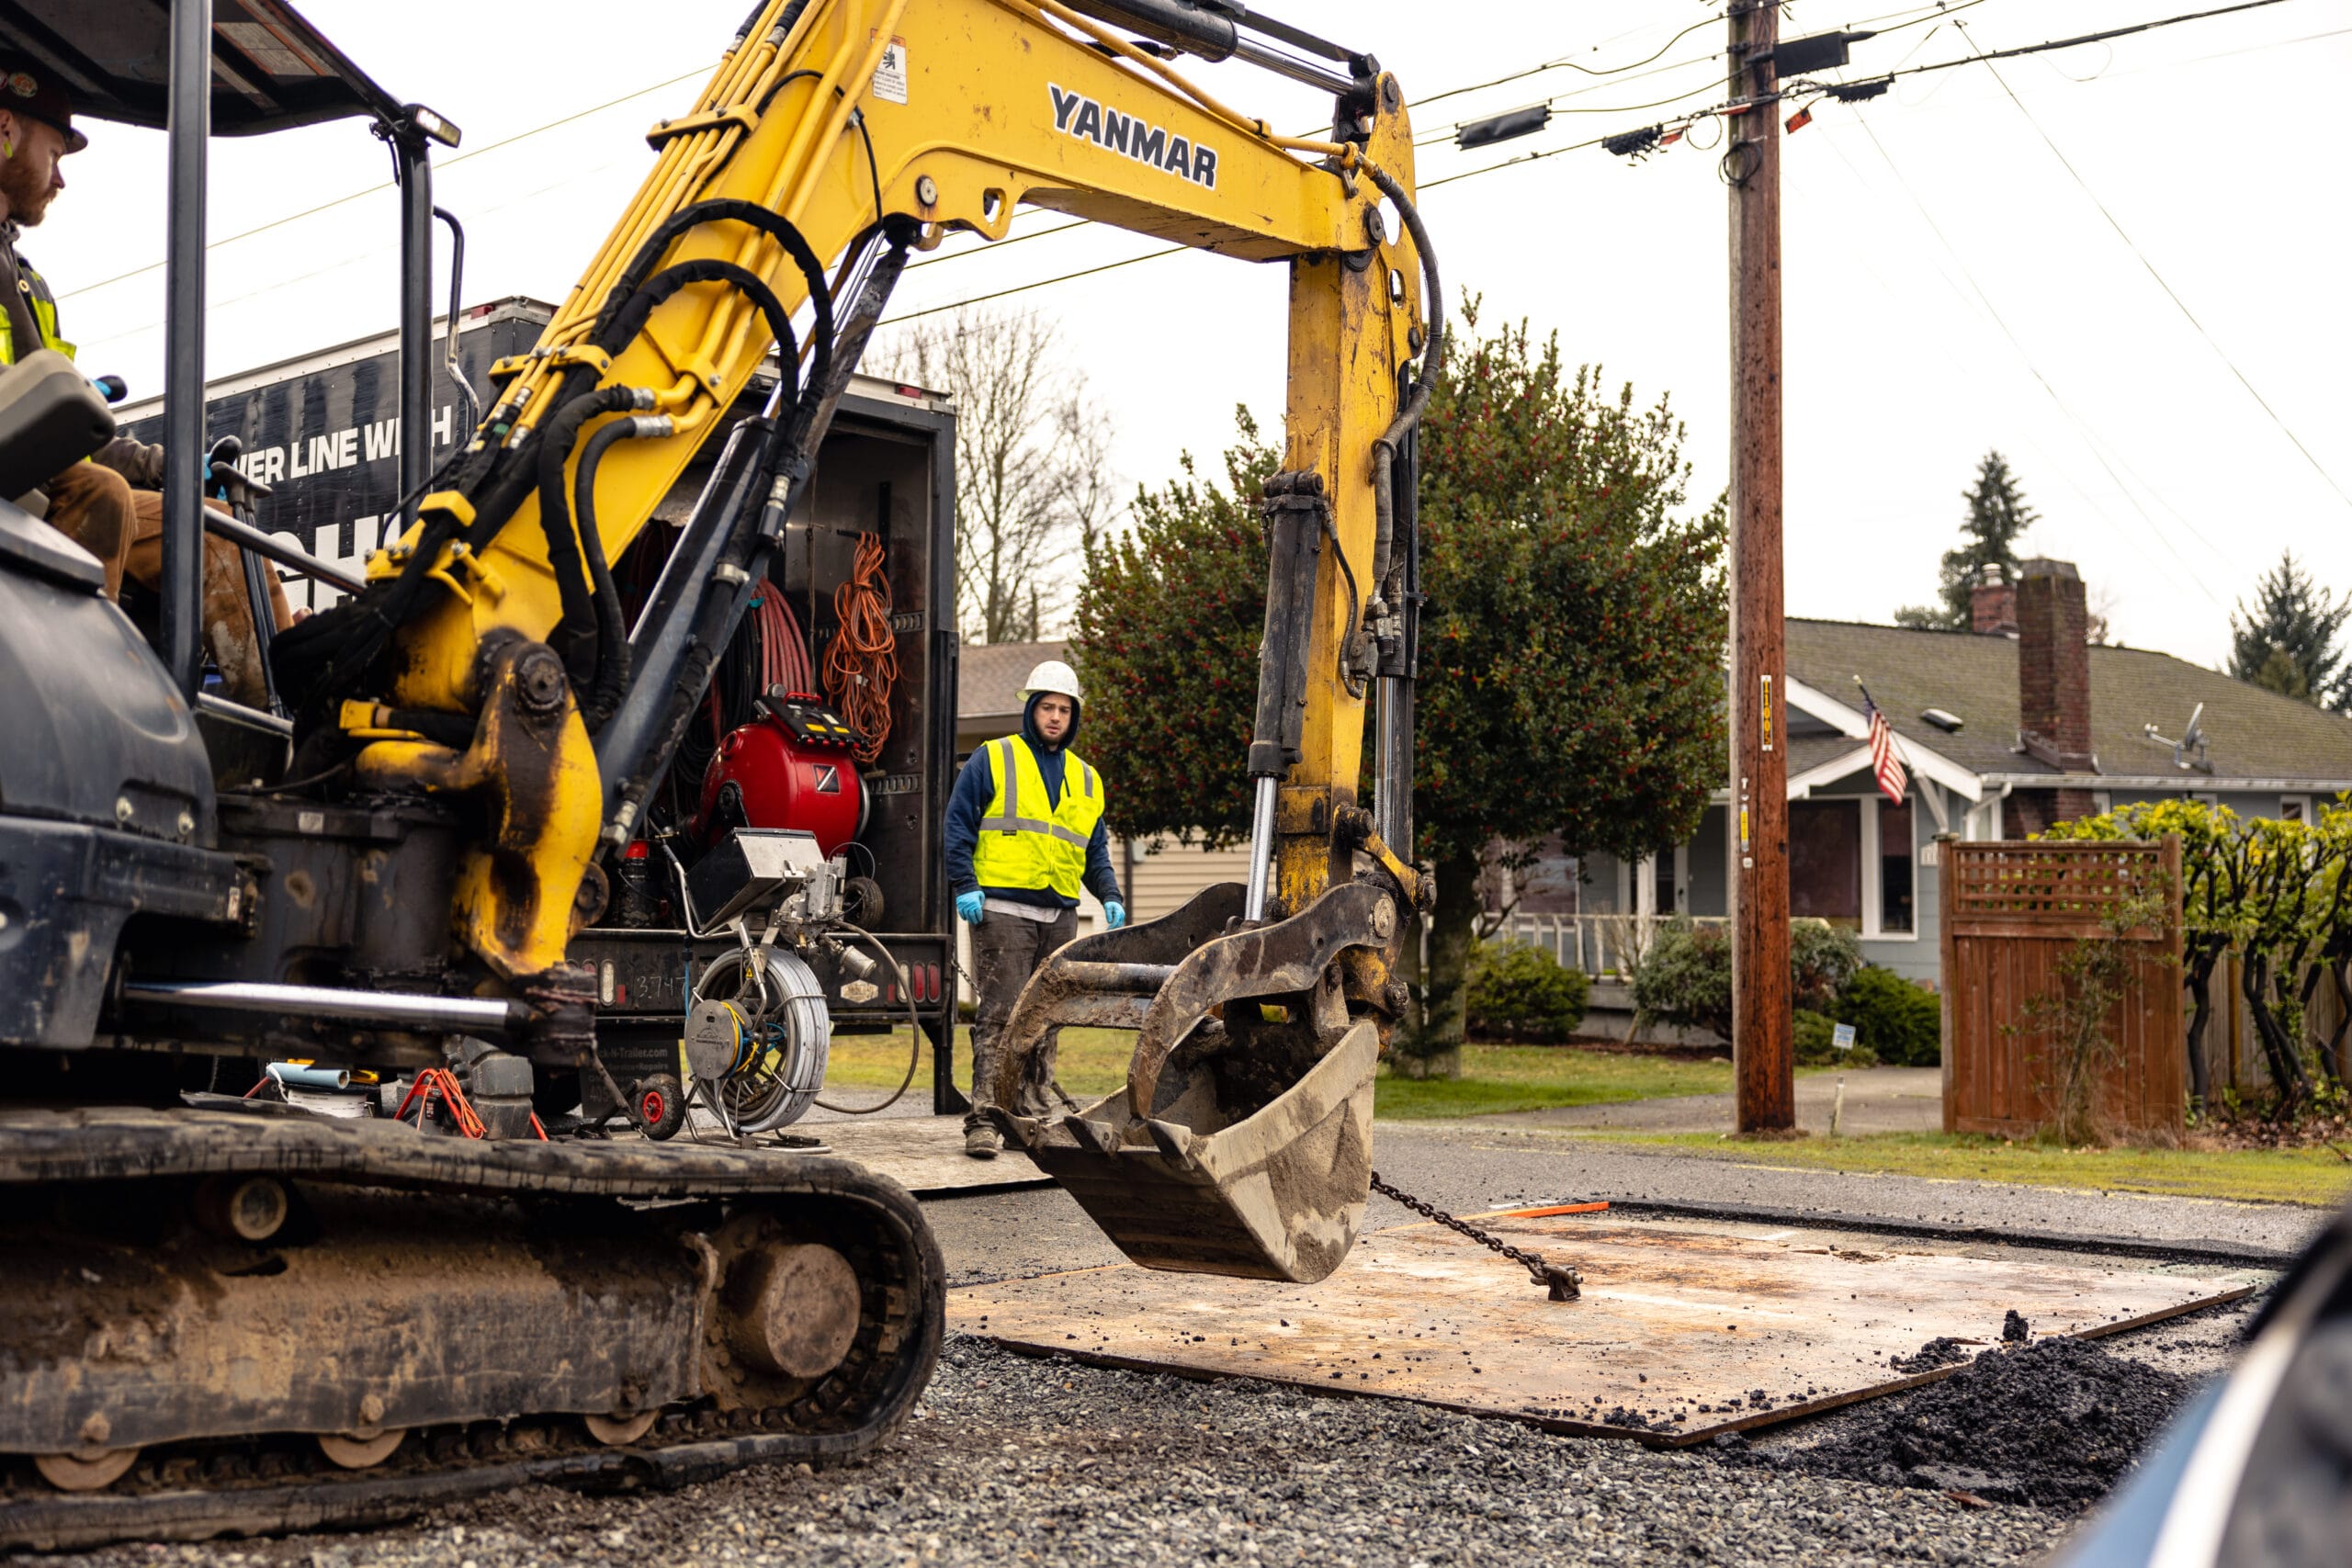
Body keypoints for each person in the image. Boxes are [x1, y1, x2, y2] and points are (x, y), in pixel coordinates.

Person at [0, 58, 289, 706]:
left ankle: (278, 727)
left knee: (215, 528)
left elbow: (76, 427)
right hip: (16, 491)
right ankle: (78, 704)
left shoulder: (24, 279)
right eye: (55, 149)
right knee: (99, 492)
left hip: (42, 488)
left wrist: (173, 471)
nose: (61, 176)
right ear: (5, 129)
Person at [944, 659, 1126, 1158]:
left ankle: (1031, 1116)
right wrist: (965, 883)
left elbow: (1094, 851)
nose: (1054, 716)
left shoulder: (1087, 779)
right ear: (1031, 709)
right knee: (1000, 1016)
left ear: (1074, 717)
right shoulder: (993, 758)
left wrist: (1109, 895)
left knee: (1047, 1020)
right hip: (1001, 909)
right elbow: (958, 825)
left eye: (1063, 709)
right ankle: (984, 1120)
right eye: (1046, 706)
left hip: (1060, 915)